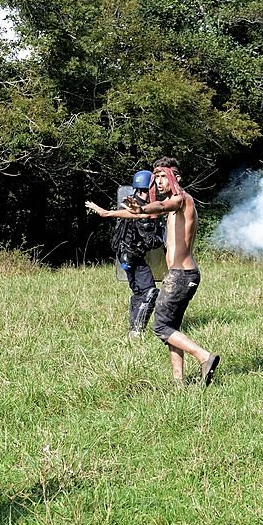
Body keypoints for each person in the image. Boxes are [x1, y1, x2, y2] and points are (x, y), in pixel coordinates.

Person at [86, 158, 220, 386]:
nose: (158, 181)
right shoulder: (173, 203)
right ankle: (178, 383)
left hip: (181, 276)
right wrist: (108, 214)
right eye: (155, 177)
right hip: (179, 275)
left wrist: (144, 207)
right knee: (172, 329)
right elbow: (142, 214)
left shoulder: (181, 200)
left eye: (163, 176)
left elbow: (157, 207)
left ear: (176, 178)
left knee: (160, 327)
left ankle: (204, 356)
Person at [90, 170, 162, 337]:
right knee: (150, 292)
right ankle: (137, 330)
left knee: (139, 292)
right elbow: (150, 241)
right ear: (147, 188)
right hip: (134, 258)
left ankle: (133, 329)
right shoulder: (139, 211)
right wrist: (164, 237)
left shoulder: (130, 204)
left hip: (125, 256)